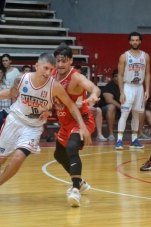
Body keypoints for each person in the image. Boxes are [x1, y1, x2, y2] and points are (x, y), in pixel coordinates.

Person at [0, 53, 91, 203]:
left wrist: (82, 126)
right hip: (15, 120)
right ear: (37, 66)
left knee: (18, 158)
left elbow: (70, 105)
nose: (48, 73)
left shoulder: (54, 86)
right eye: (45, 68)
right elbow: (10, 93)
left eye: (51, 69)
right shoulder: (22, 79)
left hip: (33, 127)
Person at [52, 43, 101, 207]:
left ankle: (75, 190)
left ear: (71, 61)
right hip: (65, 122)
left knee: (72, 147)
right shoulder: (53, 74)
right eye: (58, 61)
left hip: (83, 120)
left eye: (64, 61)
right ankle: (80, 182)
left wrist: (94, 94)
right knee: (58, 155)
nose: (60, 65)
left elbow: (94, 87)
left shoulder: (75, 78)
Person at [116, 32, 151, 149]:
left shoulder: (145, 56)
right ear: (130, 42)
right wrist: (121, 92)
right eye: (133, 40)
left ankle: (134, 140)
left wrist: (147, 90)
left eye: (137, 40)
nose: (135, 42)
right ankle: (119, 140)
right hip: (128, 86)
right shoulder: (124, 56)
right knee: (125, 113)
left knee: (137, 114)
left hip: (139, 87)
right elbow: (120, 75)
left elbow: (147, 74)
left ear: (140, 41)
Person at [74, 65, 106, 141]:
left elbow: (93, 96)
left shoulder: (86, 84)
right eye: (76, 73)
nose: (77, 75)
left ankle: (99, 135)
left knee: (98, 110)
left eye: (79, 73)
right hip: (74, 109)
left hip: (84, 108)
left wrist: (90, 106)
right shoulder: (70, 84)